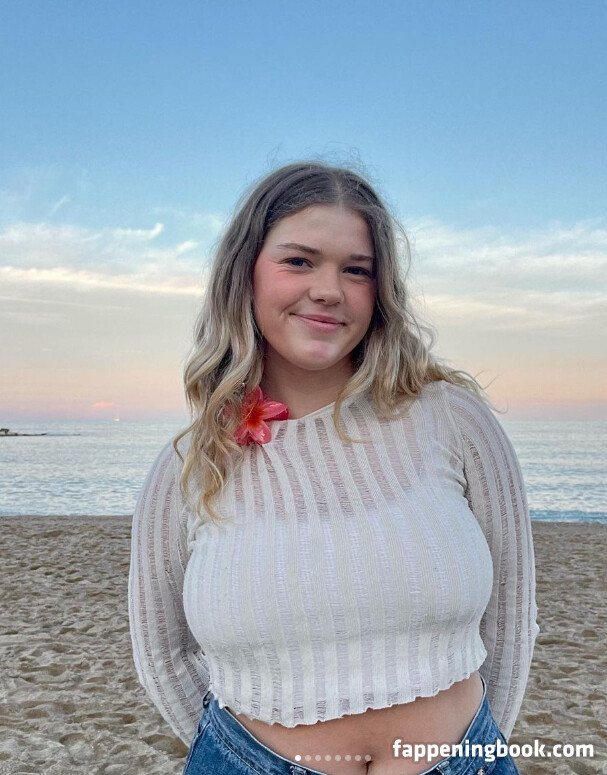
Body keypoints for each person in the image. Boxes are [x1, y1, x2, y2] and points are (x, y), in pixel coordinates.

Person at [128, 161, 539, 775]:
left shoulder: (453, 421)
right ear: (244, 273)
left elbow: (510, 622)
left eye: (356, 270)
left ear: (381, 291)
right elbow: (163, 655)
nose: (328, 290)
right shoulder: (192, 466)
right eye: (299, 261)